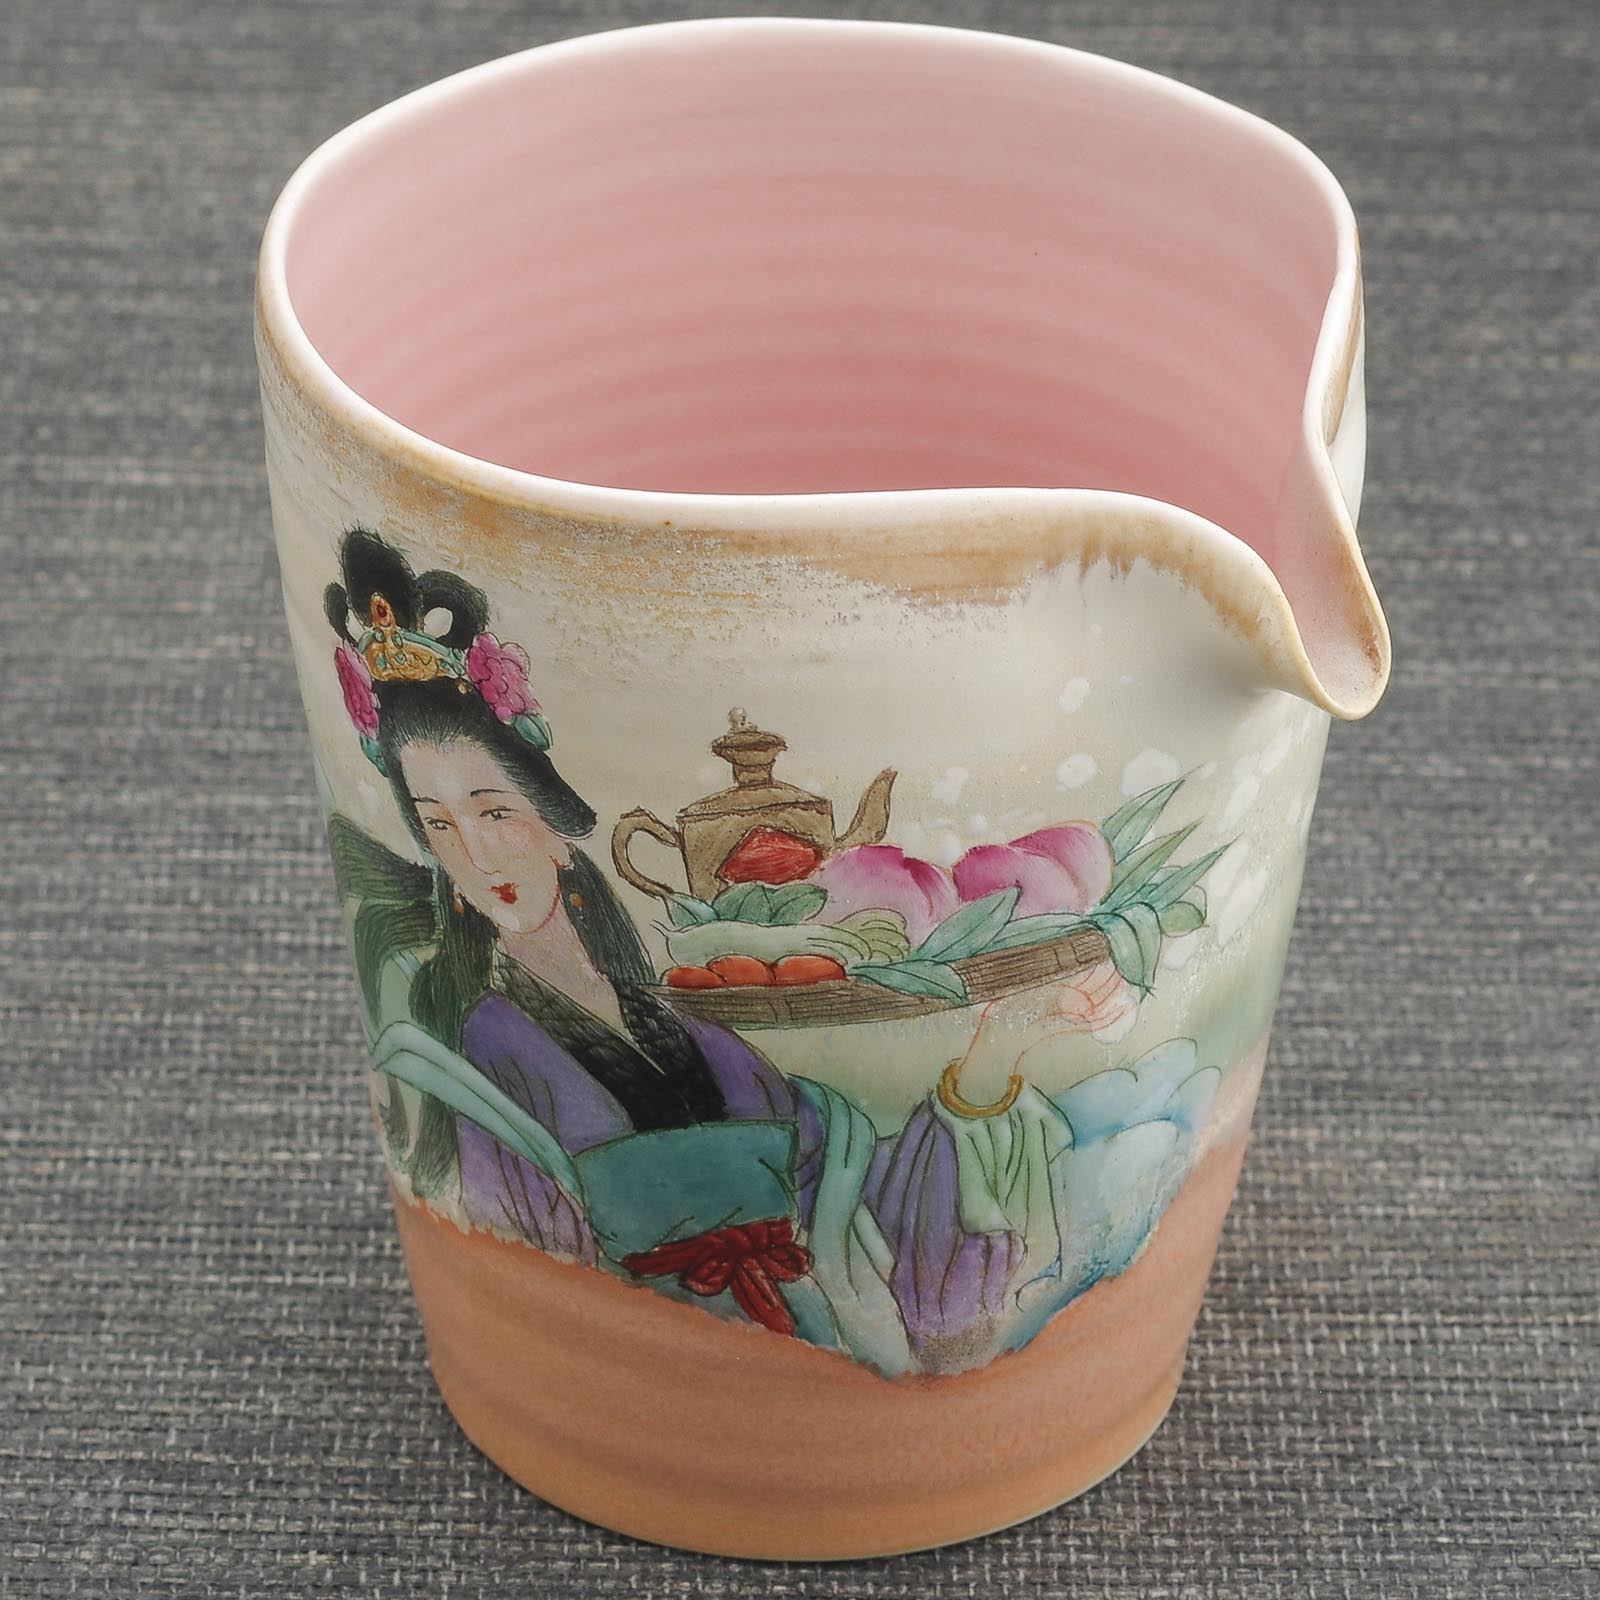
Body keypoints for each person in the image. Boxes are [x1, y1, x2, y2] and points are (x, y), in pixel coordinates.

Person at [324, 528, 910, 1367]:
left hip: (803, 1341)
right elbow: (525, 1252)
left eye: (495, 812)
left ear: (556, 833)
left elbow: (830, 1149)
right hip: (629, 1363)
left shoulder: (676, 1019)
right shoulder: (487, 1044)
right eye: (441, 828)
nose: (477, 856)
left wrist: (982, 1090)